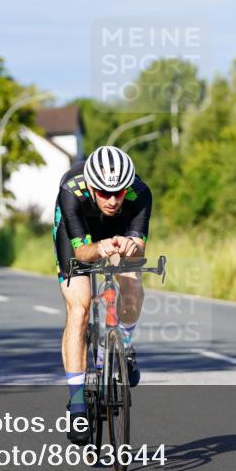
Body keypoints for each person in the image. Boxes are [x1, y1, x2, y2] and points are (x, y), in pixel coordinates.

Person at [53, 146, 151, 445]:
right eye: (105, 193)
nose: (112, 199)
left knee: (132, 285)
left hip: (118, 231)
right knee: (80, 309)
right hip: (78, 236)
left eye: (118, 193)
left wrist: (131, 246)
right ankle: (78, 405)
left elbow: (139, 243)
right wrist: (101, 247)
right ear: (92, 186)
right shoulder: (72, 190)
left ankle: (126, 346)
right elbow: (82, 251)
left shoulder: (140, 193)